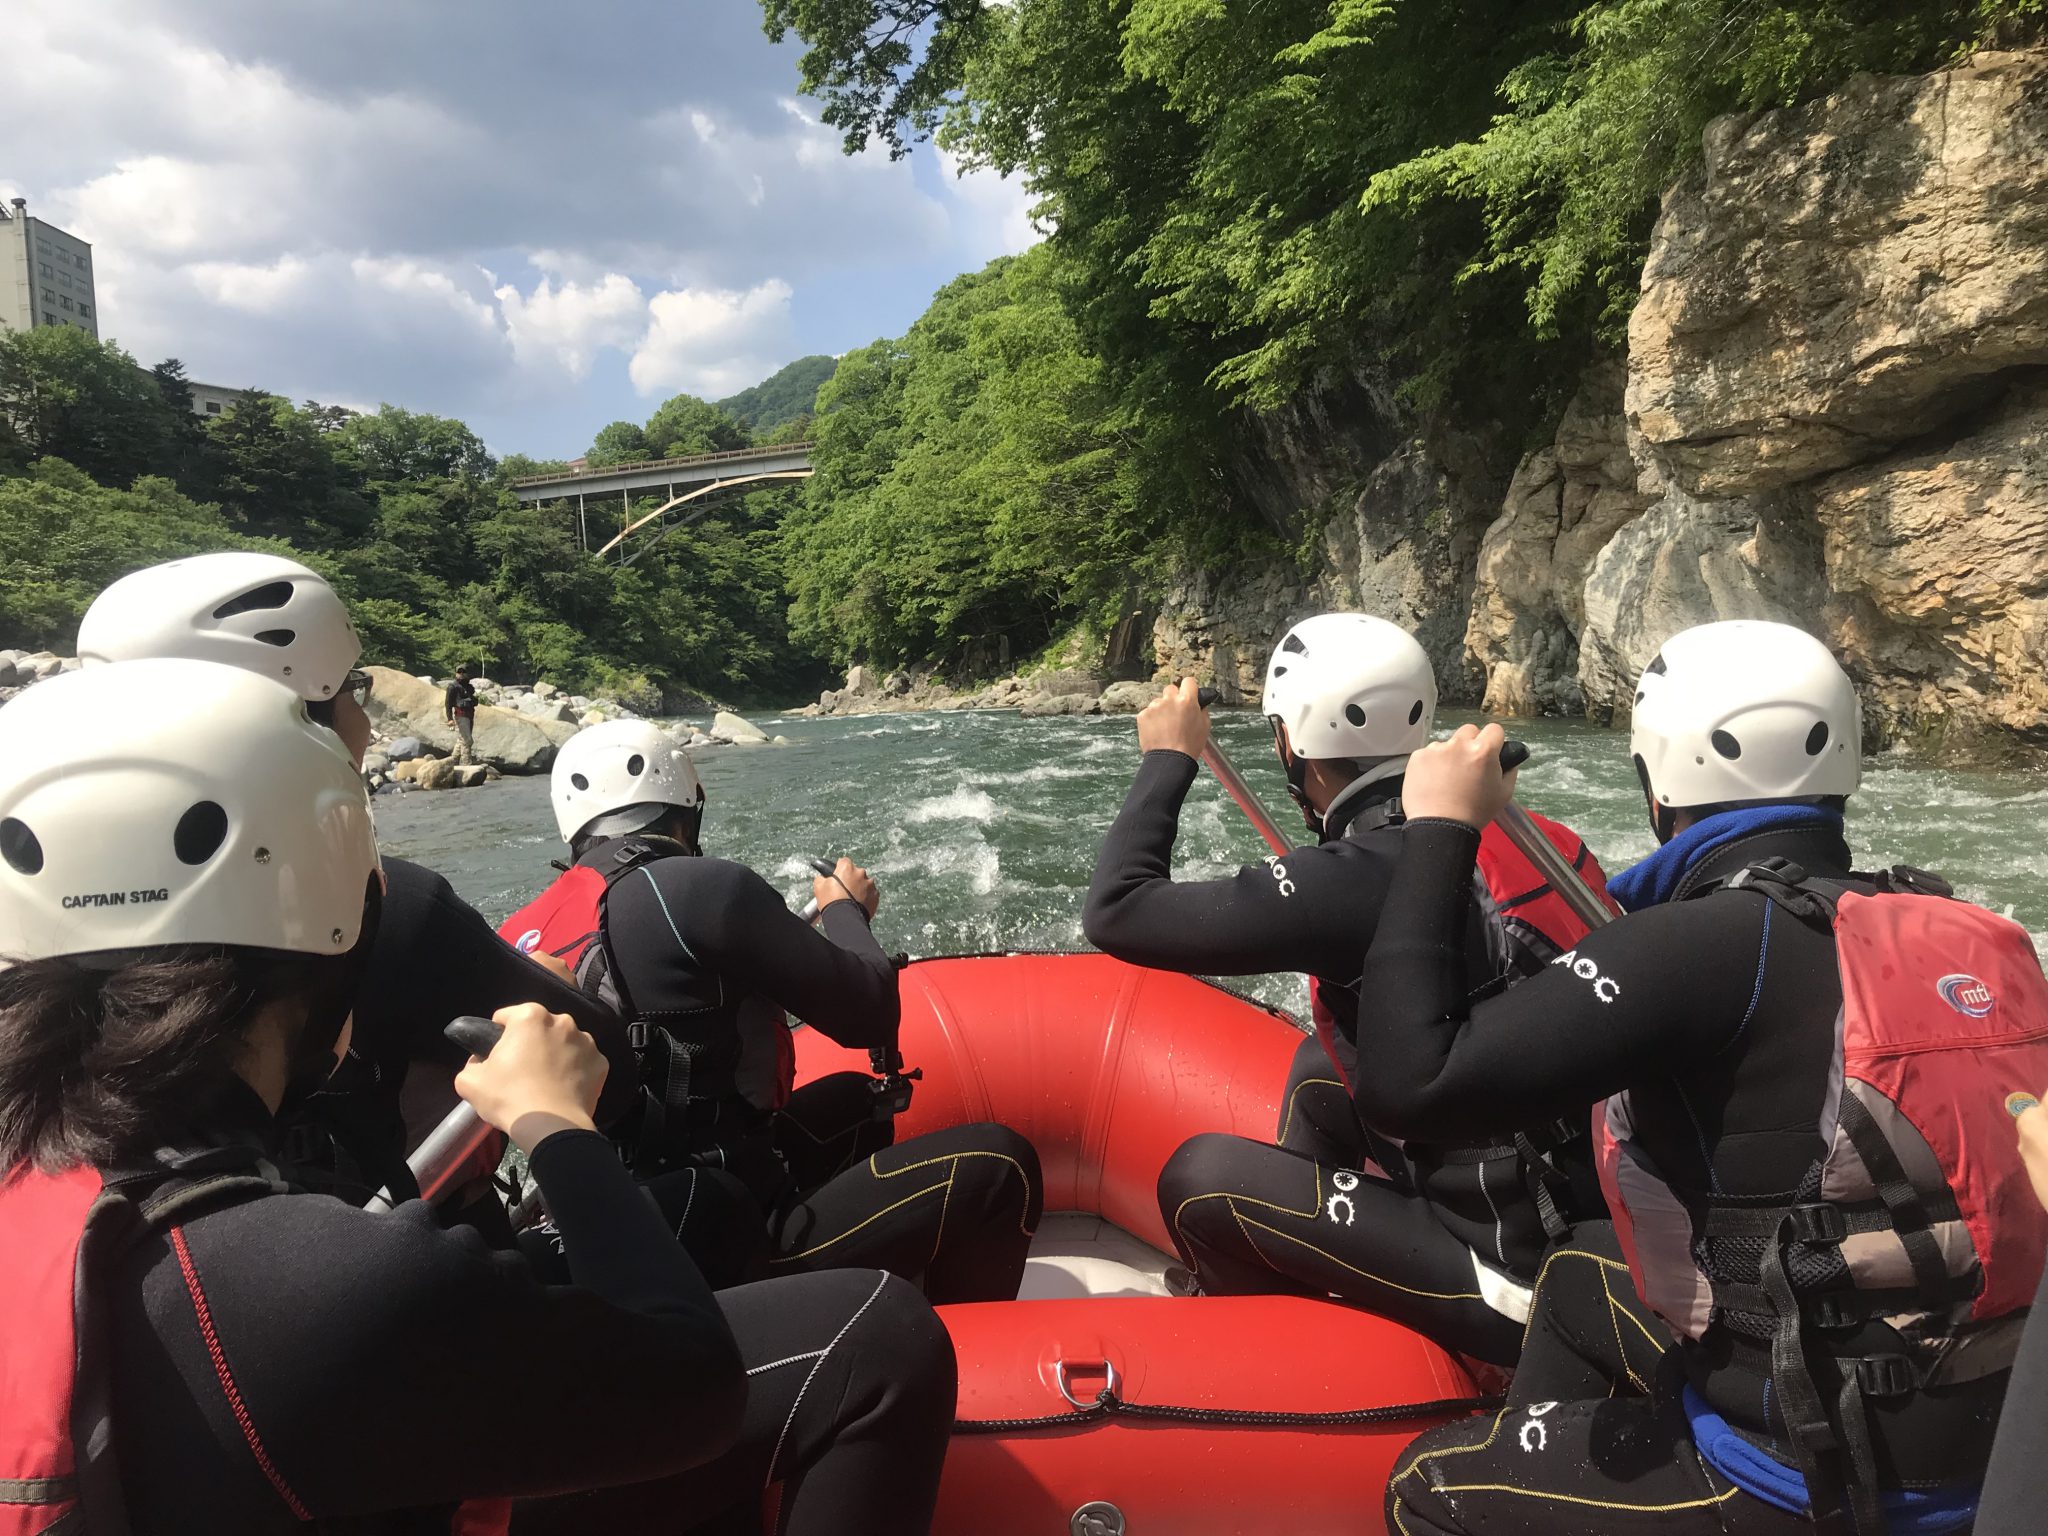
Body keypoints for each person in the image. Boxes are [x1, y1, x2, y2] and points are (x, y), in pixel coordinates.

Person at [0, 659, 956, 1536]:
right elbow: (692, 1379)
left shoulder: (67, 1180)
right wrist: (553, 1126)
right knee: (882, 1331)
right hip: (399, 1385)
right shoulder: (312, 1287)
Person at [1362, 620, 2048, 1535]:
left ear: (1659, 783)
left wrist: (1442, 828)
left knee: (1426, 1482)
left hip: (1805, 1480)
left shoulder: (1697, 948)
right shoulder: (1957, 925)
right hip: (1991, 1440)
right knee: (1579, 1272)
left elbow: (1409, 1087)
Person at [1085, 614, 1620, 1370]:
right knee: (1316, 1071)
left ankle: (1293, 1371)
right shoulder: (1545, 837)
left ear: (1290, 744)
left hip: (1516, 1273)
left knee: (1200, 1180)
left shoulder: (1353, 877)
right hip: (1570, 1196)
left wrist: (1168, 759)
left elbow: (1117, 910)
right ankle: (1317, 1271)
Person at [75, 552, 634, 1211]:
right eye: (349, 693)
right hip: (390, 1282)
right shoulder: (387, 908)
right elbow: (609, 1066)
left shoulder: (50, 934)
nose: (366, 723)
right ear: (299, 728)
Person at [499, 718, 1043, 1300]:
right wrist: (845, 910)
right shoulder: (699, 888)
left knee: (856, 1103)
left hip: (615, 1225)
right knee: (1001, 1164)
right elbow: (870, 1011)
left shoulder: (520, 933)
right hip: (724, 1230)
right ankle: (927, 1349)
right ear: (687, 807)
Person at [444, 663, 479, 764]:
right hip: (460, 715)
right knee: (467, 740)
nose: (461, 674)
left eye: (463, 672)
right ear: (456, 673)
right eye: (459, 672)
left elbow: (472, 700)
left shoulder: (468, 687)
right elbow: (448, 704)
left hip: (469, 715)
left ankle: (452, 761)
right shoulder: (452, 687)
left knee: (461, 739)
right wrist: (450, 719)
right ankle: (466, 763)